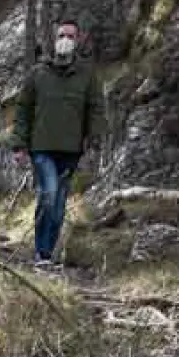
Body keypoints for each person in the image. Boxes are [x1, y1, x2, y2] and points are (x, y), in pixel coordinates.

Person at [10, 19, 105, 266]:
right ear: (54, 39)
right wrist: (19, 145)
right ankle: (41, 251)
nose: (65, 40)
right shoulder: (38, 73)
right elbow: (23, 109)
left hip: (71, 151)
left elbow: (95, 110)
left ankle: (47, 254)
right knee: (49, 194)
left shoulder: (87, 75)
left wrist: (94, 142)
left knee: (60, 204)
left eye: (71, 36)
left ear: (79, 40)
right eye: (62, 35)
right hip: (41, 148)